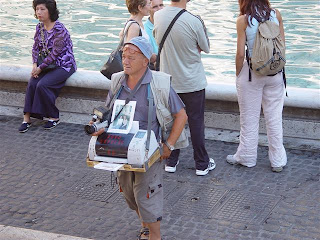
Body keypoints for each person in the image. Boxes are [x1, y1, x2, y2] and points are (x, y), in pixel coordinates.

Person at [91, 37, 188, 240]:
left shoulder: (159, 84)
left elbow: (182, 115)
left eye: (131, 57)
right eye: (124, 56)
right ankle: (145, 226)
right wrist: (99, 127)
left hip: (149, 149)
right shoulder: (118, 80)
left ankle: (155, 235)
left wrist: (169, 144)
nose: (125, 61)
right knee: (129, 194)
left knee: (146, 195)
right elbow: (107, 112)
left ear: (145, 61)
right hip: (121, 148)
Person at [153, 0, 215, 176]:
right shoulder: (194, 20)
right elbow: (206, 47)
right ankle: (201, 164)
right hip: (192, 81)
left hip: (169, 81)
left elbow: (158, 41)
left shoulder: (158, 15)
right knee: (196, 122)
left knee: (171, 121)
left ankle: (171, 159)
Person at [226, 0, 287, 172]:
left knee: (249, 118)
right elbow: (282, 45)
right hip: (275, 72)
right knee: (274, 117)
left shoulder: (243, 20)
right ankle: (278, 161)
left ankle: (246, 157)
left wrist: (239, 74)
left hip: (253, 74)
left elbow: (239, 54)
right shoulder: (276, 14)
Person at [18, 0, 76, 133]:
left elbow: (55, 53)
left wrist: (40, 68)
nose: (39, 12)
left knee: (42, 84)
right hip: (46, 65)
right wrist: (34, 65)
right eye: (37, 9)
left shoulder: (59, 29)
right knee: (32, 82)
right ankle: (26, 119)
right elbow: (35, 48)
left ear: (50, 10)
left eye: (42, 9)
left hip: (64, 65)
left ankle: (54, 117)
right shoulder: (39, 27)